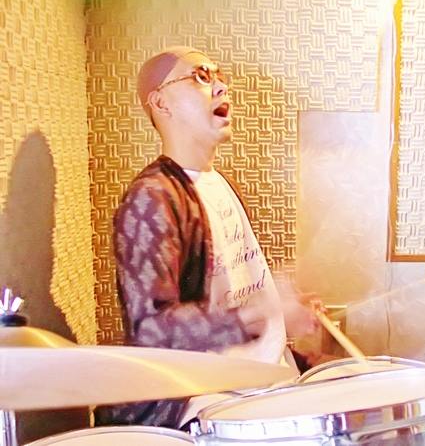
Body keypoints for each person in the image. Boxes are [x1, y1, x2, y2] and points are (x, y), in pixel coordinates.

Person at [94, 46, 330, 429]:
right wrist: (258, 316)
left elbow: (230, 291)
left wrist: (284, 312)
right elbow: (151, 330)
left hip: (257, 379)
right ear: (161, 102)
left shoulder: (219, 184)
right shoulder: (152, 198)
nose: (221, 86)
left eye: (219, 76)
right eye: (202, 76)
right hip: (200, 401)